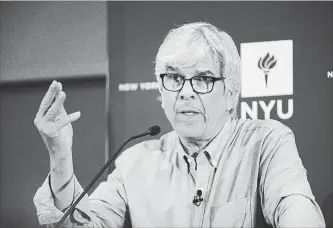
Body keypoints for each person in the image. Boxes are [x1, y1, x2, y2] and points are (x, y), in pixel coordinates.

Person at [33, 22, 326, 227]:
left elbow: (295, 207)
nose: (185, 91)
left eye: (202, 79)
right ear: (162, 93)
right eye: (174, 78)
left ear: (231, 93)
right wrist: (60, 156)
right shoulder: (135, 161)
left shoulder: (266, 142)